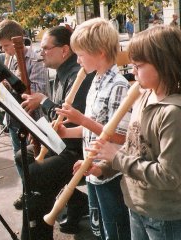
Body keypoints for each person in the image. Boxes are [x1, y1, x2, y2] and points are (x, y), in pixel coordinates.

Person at [87, 25, 181, 240]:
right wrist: (104, 168)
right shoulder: (142, 96)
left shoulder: (173, 113)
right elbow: (133, 149)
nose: (132, 69)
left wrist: (116, 157)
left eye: (138, 65)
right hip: (135, 204)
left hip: (164, 216)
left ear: (163, 64)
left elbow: (169, 176)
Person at [15, 26, 95, 239]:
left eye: (46, 48)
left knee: (36, 177)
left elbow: (68, 121)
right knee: (22, 156)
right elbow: (56, 120)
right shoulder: (61, 73)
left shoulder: (77, 75)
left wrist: (43, 100)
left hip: (77, 150)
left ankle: (38, 230)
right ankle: (74, 201)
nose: (41, 53)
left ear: (64, 50)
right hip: (61, 145)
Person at [55, 18, 131, 240]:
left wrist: (81, 119)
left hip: (109, 173)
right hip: (91, 170)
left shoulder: (118, 85)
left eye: (80, 54)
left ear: (99, 52)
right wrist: (65, 132)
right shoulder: (95, 80)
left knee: (115, 229)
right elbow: (91, 129)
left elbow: (119, 137)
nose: (78, 61)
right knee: (100, 228)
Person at [0, 19, 50, 209]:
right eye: (2, 47)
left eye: (7, 46)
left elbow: (36, 92)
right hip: (14, 117)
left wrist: (12, 84)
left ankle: (42, 194)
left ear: (18, 40)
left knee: (36, 161)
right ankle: (27, 191)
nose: (5, 51)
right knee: (18, 158)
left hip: (32, 119)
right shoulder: (9, 58)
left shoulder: (35, 60)